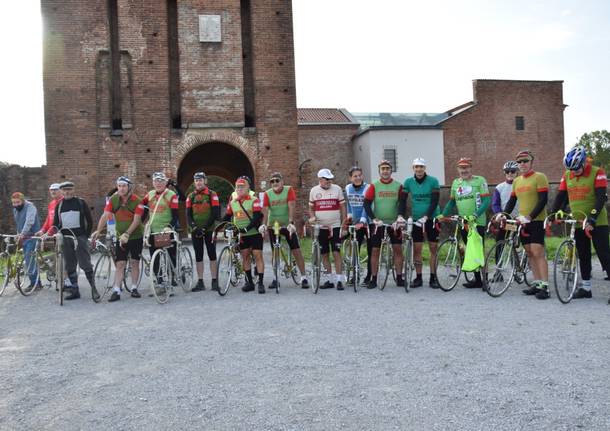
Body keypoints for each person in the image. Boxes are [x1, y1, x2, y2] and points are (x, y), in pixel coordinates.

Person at [551, 147, 610, 302]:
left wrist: (592, 218)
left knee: (604, 255)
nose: (574, 172)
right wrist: (552, 214)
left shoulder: (598, 172)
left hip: (597, 221)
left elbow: (601, 197)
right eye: (571, 169)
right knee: (583, 255)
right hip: (577, 222)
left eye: (576, 168)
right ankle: (586, 288)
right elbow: (561, 196)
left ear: (584, 162)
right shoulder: (567, 175)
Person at [502, 150, 550, 299]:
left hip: (536, 220)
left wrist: (530, 216)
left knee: (537, 251)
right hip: (522, 221)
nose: (522, 164)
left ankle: (545, 286)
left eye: (525, 161)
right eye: (519, 162)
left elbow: (543, 200)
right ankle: (536, 283)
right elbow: (512, 202)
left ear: (531, 162)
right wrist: (503, 214)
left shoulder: (539, 177)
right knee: (528, 251)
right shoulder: (517, 181)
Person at [91, 176, 145, 302]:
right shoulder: (113, 199)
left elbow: (137, 220)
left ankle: (134, 287)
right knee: (120, 263)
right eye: (119, 186)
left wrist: (127, 233)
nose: (121, 188)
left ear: (129, 187)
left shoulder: (137, 201)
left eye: (124, 186)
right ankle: (116, 290)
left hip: (135, 235)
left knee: (134, 262)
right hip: (120, 236)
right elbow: (105, 215)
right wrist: (98, 230)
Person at [441, 157, 490, 289]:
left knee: (478, 250)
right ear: (458, 169)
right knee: (469, 250)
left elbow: (486, 201)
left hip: (477, 221)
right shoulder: (456, 183)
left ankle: (485, 280)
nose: (464, 170)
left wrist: (476, 215)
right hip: (463, 221)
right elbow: (452, 202)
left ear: (471, 168)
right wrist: (443, 214)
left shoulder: (480, 180)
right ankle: (477, 279)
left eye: (466, 167)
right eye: (461, 168)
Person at [259, 172, 309, 289]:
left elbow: (291, 206)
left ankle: (304, 277)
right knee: (275, 251)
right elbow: (265, 210)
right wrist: (264, 225)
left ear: (282, 181)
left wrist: (291, 223)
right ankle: (275, 278)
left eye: (277, 180)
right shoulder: (267, 194)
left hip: (287, 225)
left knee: (296, 249)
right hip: (274, 225)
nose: (275, 183)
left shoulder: (289, 190)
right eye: (272, 181)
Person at [51, 181, 98, 301]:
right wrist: (56, 234)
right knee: (70, 265)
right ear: (61, 191)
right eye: (64, 190)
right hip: (65, 239)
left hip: (80, 238)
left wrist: (84, 236)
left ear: (73, 190)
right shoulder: (59, 205)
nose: (67, 192)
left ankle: (94, 289)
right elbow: (56, 224)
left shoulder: (81, 203)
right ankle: (75, 290)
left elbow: (90, 220)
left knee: (85, 264)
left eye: (69, 189)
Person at [364, 160, 406, 289]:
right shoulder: (374, 185)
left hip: (394, 223)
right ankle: (374, 279)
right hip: (378, 223)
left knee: (398, 249)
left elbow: (402, 203)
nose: (385, 171)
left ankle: (399, 277)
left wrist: (400, 217)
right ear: (379, 171)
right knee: (375, 250)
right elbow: (366, 203)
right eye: (383, 168)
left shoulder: (398, 186)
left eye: (387, 168)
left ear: (391, 170)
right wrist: (374, 218)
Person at [399, 158, 441, 289]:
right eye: (416, 167)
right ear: (413, 168)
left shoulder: (433, 181)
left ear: (425, 168)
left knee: (433, 248)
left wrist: (427, 216)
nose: (419, 169)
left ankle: (433, 278)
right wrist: (400, 215)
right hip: (417, 219)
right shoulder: (408, 182)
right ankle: (418, 277)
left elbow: (434, 201)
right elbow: (402, 201)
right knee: (417, 249)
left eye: (421, 167)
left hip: (432, 218)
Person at [223, 177, 266, 293]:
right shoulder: (233, 202)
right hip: (242, 235)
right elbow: (227, 217)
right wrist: (223, 226)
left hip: (254, 233)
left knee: (257, 255)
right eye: (238, 187)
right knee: (245, 256)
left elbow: (257, 217)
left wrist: (247, 228)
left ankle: (261, 283)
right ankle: (250, 282)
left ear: (248, 188)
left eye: (242, 187)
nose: (240, 189)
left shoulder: (254, 200)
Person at [308, 168, 347, 290]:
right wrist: (312, 217)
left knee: (336, 252)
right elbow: (311, 208)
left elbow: (343, 207)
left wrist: (344, 223)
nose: (329, 181)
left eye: (330, 179)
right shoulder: (314, 191)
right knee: (324, 253)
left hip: (335, 225)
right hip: (321, 227)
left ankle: (340, 280)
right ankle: (329, 280)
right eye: (326, 179)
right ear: (320, 179)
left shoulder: (337, 189)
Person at [142, 172, 180, 290]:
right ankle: (159, 281)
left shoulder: (171, 195)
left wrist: (169, 226)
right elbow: (142, 209)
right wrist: (140, 223)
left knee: (170, 256)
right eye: (155, 181)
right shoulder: (149, 195)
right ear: (153, 183)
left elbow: (175, 215)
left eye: (160, 181)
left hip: (166, 230)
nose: (158, 183)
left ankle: (172, 277)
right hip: (153, 231)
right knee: (155, 257)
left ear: (165, 182)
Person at [186, 171, 220, 292]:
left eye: (200, 180)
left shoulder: (212, 194)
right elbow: (188, 215)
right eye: (196, 180)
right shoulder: (191, 196)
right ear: (194, 182)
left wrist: (205, 228)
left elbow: (215, 213)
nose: (198, 182)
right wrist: (195, 227)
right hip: (196, 231)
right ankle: (200, 282)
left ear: (205, 181)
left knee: (212, 255)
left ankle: (214, 281)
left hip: (209, 229)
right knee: (198, 256)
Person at [344, 166, 371, 285]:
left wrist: (363, 221)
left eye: (360, 175)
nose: (358, 178)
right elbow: (349, 204)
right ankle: (354, 276)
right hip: (355, 223)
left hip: (368, 222)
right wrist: (349, 215)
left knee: (371, 249)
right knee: (355, 248)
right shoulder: (348, 188)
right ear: (350, 178)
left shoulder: (368, 188)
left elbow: (367, 206)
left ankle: (369, 276)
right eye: (355, 176)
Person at [12, 192, 42, 290]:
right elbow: (19, 224)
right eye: (14, 203)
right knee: (29, 259)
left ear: (23, 200)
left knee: (29, 259)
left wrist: (23, 233)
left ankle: (35, 284)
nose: (16, 205)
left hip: (33, 236)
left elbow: (29, 221)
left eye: (18, 202)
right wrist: (18, 234)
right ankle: (38, 282)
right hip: (24, 237)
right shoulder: (15, 210)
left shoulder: (30, 207)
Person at [491, 161, 520, 260]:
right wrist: (499, 214)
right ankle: (498, 271)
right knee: (500, 243)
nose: (510, 173)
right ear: (505, 173)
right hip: (506, 220)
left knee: (521, 245)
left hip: (520, 219)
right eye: (507, 171)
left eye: (512, 171)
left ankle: (520, 265)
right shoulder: (499, 187)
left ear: (517, 172)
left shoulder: (522, 184)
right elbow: (495, 204)